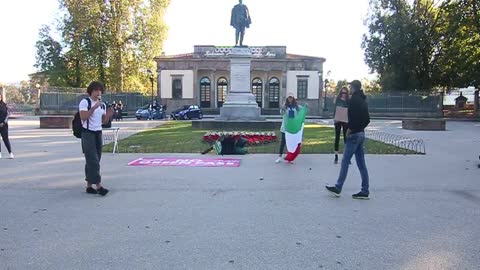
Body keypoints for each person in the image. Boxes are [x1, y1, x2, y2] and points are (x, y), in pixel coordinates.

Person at [325, 80, 371, 199]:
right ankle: (365, 191)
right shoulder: (363, 100)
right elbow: (367, 119)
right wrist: (360, 128)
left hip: (354, 135)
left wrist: (351, 129)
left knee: (345, 161)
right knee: (361, 164)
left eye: (350, 86)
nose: (349, 88)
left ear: (353, 88)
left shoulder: (353, 101)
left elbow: (350, 117)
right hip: (361, 134)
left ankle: (338, 187)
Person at [79, 81, 114, 196]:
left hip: (98, 133)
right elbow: (83, 117)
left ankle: (89, 186)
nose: (98, 92)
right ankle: (99, 186)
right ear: (91, 91)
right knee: (93, 160)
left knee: (95, 159)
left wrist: (108, 115)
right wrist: (93, 108)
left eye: (100, 90)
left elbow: (103, 121)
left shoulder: (102, 105)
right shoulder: (85, 102)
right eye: (96, 90)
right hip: (87, 133)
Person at [275, 92, 307, 164]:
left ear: (293, 98)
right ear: (287, 98)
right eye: (289, 97)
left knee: (291, 143)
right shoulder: (285, 106)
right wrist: (282, 108)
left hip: (293, 127)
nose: (290, 99)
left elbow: (302, 111)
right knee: (283, 142)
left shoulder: (296, 106)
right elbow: (281, 113)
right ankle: (279, 157)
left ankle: (290, 158)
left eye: (291, 97)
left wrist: (305, 107)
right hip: (285, 127)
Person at [333, 87, 349, 164]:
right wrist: (334, 118)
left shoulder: (348, 101)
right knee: (337, 137)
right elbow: (335, 109)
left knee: (346, 138)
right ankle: (336, 156)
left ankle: (346, 157)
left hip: (345, 120)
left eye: (345, 93)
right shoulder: (337, 100)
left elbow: (350, 110)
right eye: (342, 93)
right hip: (338, 120)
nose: (343, 94)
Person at [0, 94, 14, 159]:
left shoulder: (4, 105)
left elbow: (7, 115)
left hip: (4, 125)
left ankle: (10, 153)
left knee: (5, 139)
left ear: (1, 97)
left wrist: (4, 122)